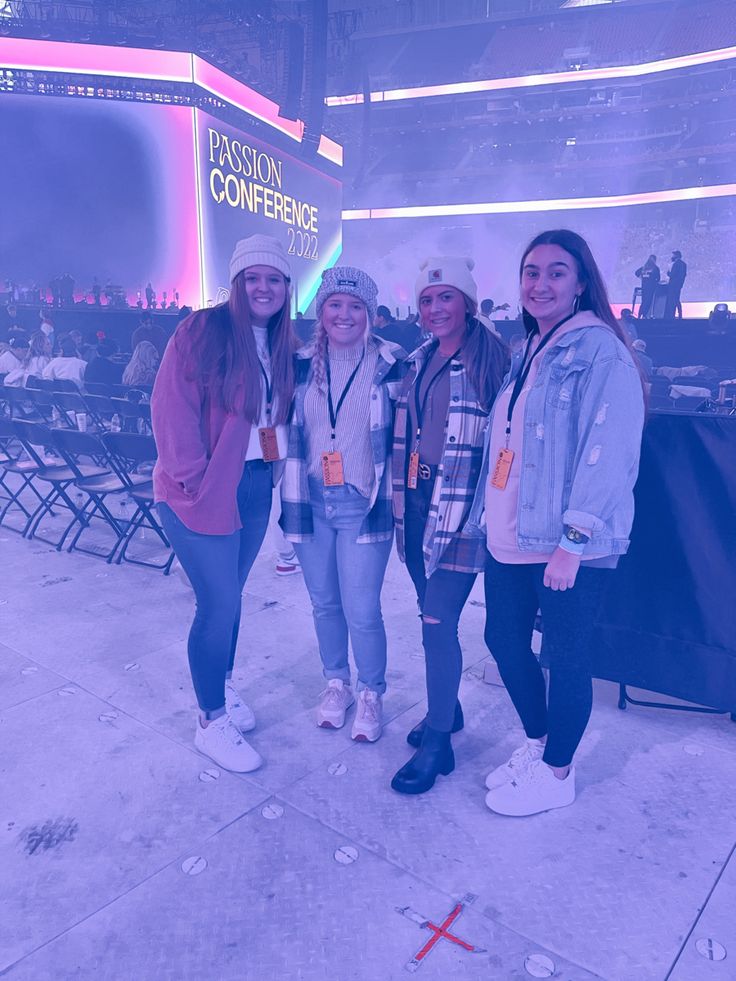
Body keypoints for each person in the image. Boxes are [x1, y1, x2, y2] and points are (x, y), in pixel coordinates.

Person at [468, 228, 645, 817]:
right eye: (531, 272)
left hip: (569, 541)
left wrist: (574, 542)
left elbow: (610, 449)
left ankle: (558, 772)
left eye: (556, 272)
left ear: (580, 284)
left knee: (564, 656)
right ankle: (541, 742)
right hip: (513, 530)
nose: (539, 283)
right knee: (502, 640)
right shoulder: (528, 352)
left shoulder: (600, 350)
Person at [151, 235, 297, 773]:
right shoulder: (202, 330)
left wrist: (273, 470)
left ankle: (223, 685)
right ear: (237, 283)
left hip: (256, 483)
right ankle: (210, 720)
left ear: (286, 289)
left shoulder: (281, 341)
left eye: (274, 279)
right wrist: (192, 480)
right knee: (217, 605)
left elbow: (272, 420)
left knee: (232, 597)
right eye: (253, 277)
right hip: (202, 489)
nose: (263, 287)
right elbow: (172, 405)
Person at [390, 257, 508, 794]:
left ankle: (439, 742)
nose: (435, 308)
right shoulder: (417, 360)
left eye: (446, 297)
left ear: (468, 302)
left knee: (437, 621)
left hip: (462, 512)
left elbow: (508, 445)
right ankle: (450, 709)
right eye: (427, 300)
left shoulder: (492, 360)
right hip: (416, 502)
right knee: (426, 614)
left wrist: (487, 511)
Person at [281, 267, 405, 743]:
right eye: (335, 304)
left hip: (362, 502)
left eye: (355, 307)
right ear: (322, 311)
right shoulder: (299, 363)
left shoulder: (392, 366)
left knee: (361, 608)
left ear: (370, 315)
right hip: (310, 498)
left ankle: (371, 691)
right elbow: (279, 426)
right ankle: (338, 683)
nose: (344, 314)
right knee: (324, 603)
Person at [665, 250, 687, 319]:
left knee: (673, 299)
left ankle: (672, 314)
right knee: (677, 299)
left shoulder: (676, 264)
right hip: (679, 285)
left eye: (673, 255)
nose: (672, 257)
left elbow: (672, 274)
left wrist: (668, 273)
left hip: (673, 285)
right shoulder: (684, 264)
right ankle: (679, 314)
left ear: (676, 256)